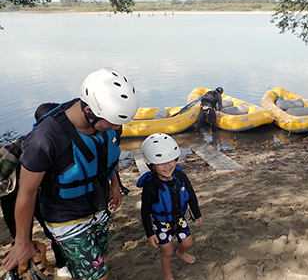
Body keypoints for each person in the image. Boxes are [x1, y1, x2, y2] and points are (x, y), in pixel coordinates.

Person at [2, 67, 140, 280]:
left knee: (92, 264)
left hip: (98, 206)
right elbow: (26, 192)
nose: (116, 127)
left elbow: (110, 152)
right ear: (88, 111)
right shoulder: (44, 140)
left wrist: (115, 185)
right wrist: (22, 242)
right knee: (99, 276)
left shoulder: (110, 124)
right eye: (111, 122)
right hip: (65, 217)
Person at [1, 103, 71, 280]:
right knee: (52, 231)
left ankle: (17, 272)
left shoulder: (28, 139)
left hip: (10, 193)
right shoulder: (48, 142)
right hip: (30, 193)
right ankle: (62, 266)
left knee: (19, 237)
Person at [137, 133, 203, 280]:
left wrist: (196, 213)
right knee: (167, 251)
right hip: (161, 223)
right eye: (161, 163)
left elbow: (191, 194)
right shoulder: (151, 186)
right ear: (151, 165)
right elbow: (145, 211)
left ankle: (181, 253)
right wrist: (149, 233)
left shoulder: (180, 176)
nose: (167, 166)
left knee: (188, 242)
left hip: (179, 218)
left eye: (170, 160)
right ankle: (168, 275)